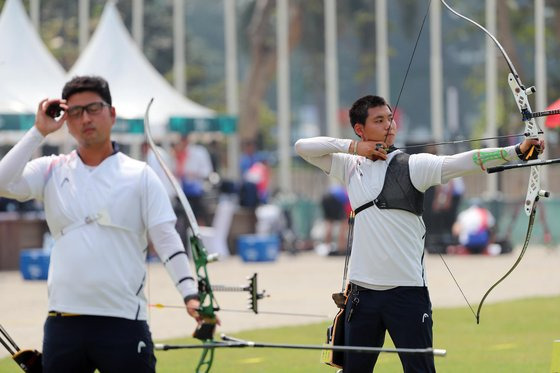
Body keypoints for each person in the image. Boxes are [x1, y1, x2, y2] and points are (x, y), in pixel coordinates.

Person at [294, 94, 544, 373]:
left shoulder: (414, 166)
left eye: (390, 118)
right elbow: (303, 146)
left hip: (407, 294)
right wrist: (355, 148)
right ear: (359, 129)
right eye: (379, 121)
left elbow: (465, 161)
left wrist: (516, 152)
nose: (389, 125)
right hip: (362, 295)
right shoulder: (349, 166)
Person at [0, 76, 203, 373]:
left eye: (94, 108)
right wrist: (39, 131)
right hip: (64, 324)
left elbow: (166, 238)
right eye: (75, 112)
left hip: (123, 322)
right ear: (66, 121)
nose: (85, 118)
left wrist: (190, 294)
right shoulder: (52, 169)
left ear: (112, 113)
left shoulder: (141, 175)